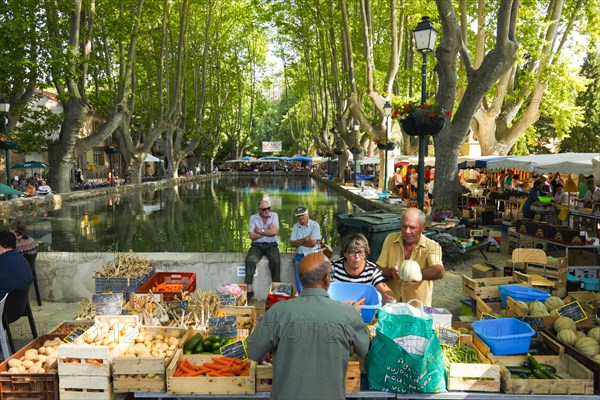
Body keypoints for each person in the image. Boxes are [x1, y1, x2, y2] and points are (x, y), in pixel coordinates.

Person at [246, 252, 370, 400]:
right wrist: (357, 316)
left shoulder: (278, 312)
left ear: (300, 279)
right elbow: (364, 349)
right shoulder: (348, 314)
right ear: (327, 279)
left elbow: (253, 351)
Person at [376, 208, 444, 306]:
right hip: (391, 305)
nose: (407, 231)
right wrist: (392, 272)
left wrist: (417, 274)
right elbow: (378, 271)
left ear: (423, 227)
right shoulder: (390, 239)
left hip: (417, 307)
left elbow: (439, 271)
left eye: (412, 228)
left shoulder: (432, 246)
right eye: (404, 227)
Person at [332, 233, 396, 304]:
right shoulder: (333, 268)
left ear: (366, 254)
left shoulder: (372, 271)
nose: (357, 257)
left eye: (360, 253)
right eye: (352, 252)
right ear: (345, 253)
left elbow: (384, 289)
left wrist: (388, 297)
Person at [245, 198, 281, 301]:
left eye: (268, 208)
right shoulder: (253, 218)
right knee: (250, 260)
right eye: (264, 209)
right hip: (257, 245)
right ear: (259, 210)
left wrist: (260, 231)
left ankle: (276, 289)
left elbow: (274, 232)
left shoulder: (274, 216)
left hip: (271, 244)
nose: (267, 211)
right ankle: (249, 290)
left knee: (275, 260)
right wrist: (267, 231)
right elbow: (251, 236)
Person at [289, 206, 321, 293]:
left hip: (313, 255)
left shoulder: (315, 225)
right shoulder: (296, 226)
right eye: (298, 216)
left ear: (307, 214)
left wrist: (298, 242)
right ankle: (301, 296)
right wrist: (305, 239)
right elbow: (292, 243)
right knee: (298, 277)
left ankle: (314, 297)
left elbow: (312, 244)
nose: (301, 218)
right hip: (299, 256)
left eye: (302, 215)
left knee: (314, 278)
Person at [0, 230, 33, 298]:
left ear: (1, 246)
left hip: (3, 305)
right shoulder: (22, 259)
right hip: (18, 305)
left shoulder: (2, 261)